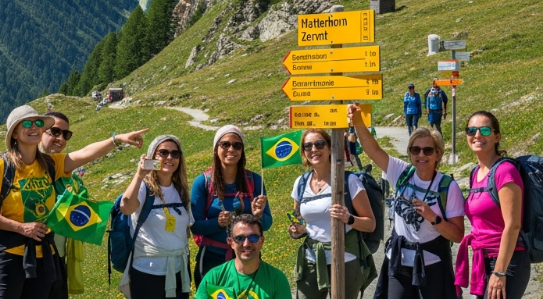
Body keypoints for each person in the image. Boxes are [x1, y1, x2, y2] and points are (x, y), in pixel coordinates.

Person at [0, 104, 148, 299]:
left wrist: (116, 139)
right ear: (14, 134)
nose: (34, 127)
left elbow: (85, 153)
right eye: (26, 124)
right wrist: (22, 228)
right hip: (9, 256)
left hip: (43, 257)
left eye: (38, 123)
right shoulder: (1, 166)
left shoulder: (51, 164)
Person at [349, 104, 465, 299]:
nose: (421, 155)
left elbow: (457, 235)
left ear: (438, 154)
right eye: (415, 149)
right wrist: (358, 122)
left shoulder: (447, 186)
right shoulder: (402, 172)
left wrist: (433, 218)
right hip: (399, 262)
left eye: (428, 150)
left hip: (432, 264)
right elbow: (373, 150)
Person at [289, 129, 377, 299]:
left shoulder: (349, 181)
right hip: (311, 258)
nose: (313, 149)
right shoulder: (300, 183)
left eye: (319, 144)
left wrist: (349, 218)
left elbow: (370, 224)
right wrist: (297, 231)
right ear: (303, 152)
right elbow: (299, 219)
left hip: (346, 258)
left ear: (330, 148)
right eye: (307, 146)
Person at [455, 111, 530, 299]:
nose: (477, 135)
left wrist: (499, 272)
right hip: (483, 259)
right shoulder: (475, 173)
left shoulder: (505, 171)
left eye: (484, 130)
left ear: (497, 137)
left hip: (507, 261)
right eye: (471, 130)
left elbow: (513, 225)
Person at [191, 125, 271, 287]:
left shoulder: (254, 180)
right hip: (212, 258)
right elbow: (195, 226)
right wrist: (217, 223)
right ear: (216, 149)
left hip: (247, 256)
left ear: (242, 151)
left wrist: (258, 216)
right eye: (225, 144)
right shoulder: (203, 182)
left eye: (237, 145)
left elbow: (267, 224)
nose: (231, 149)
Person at [118, 135, 193, 299]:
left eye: (175, 153)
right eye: (163, 152)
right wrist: (138, 176)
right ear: (153, 155)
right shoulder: (144, 187)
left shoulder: (181, 190)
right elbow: (126, 207)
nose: (169, 157)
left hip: (179, 270)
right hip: (147, 272)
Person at [38, 111, 87, 298]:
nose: (60, 139)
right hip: (28, 258)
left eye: (65, 134)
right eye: (55, 132)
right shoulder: (23, 168)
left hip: (57, 257)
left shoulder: (71, 176)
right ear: (39, 131)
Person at [195, 214, 291, 299]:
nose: (246, 244)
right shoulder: (213, 277)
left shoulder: (277, 279)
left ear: (262, 241)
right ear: (231, 242)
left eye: (253, 238)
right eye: (240, 238)